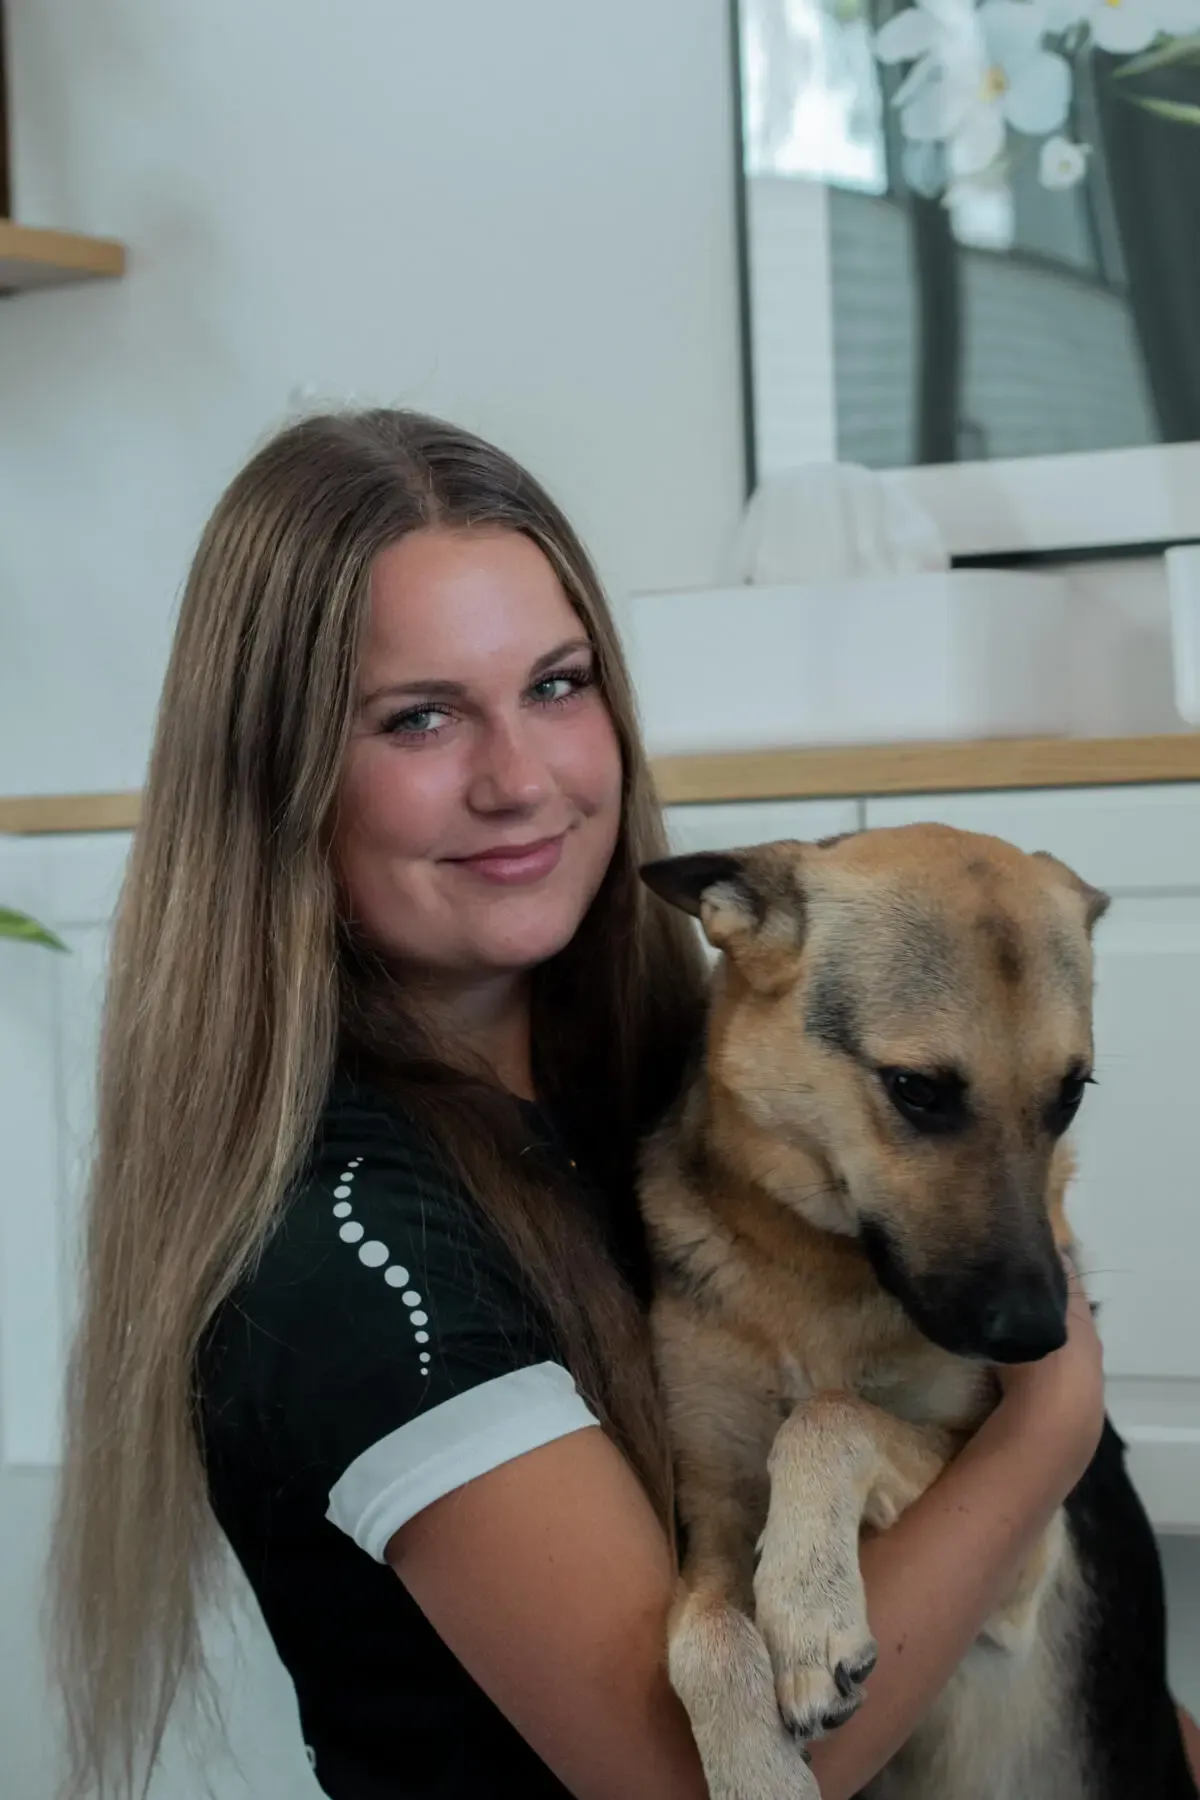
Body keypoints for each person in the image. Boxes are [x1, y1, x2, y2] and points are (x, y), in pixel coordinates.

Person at [49, 409, 1187, 1800]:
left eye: (558, 684)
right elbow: (694, 1784)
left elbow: (1094, 1641)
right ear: (278, 774)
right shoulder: (359, 1262)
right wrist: (1053, 1412)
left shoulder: (711, 1095)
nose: (521, 780)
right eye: (419, 716)